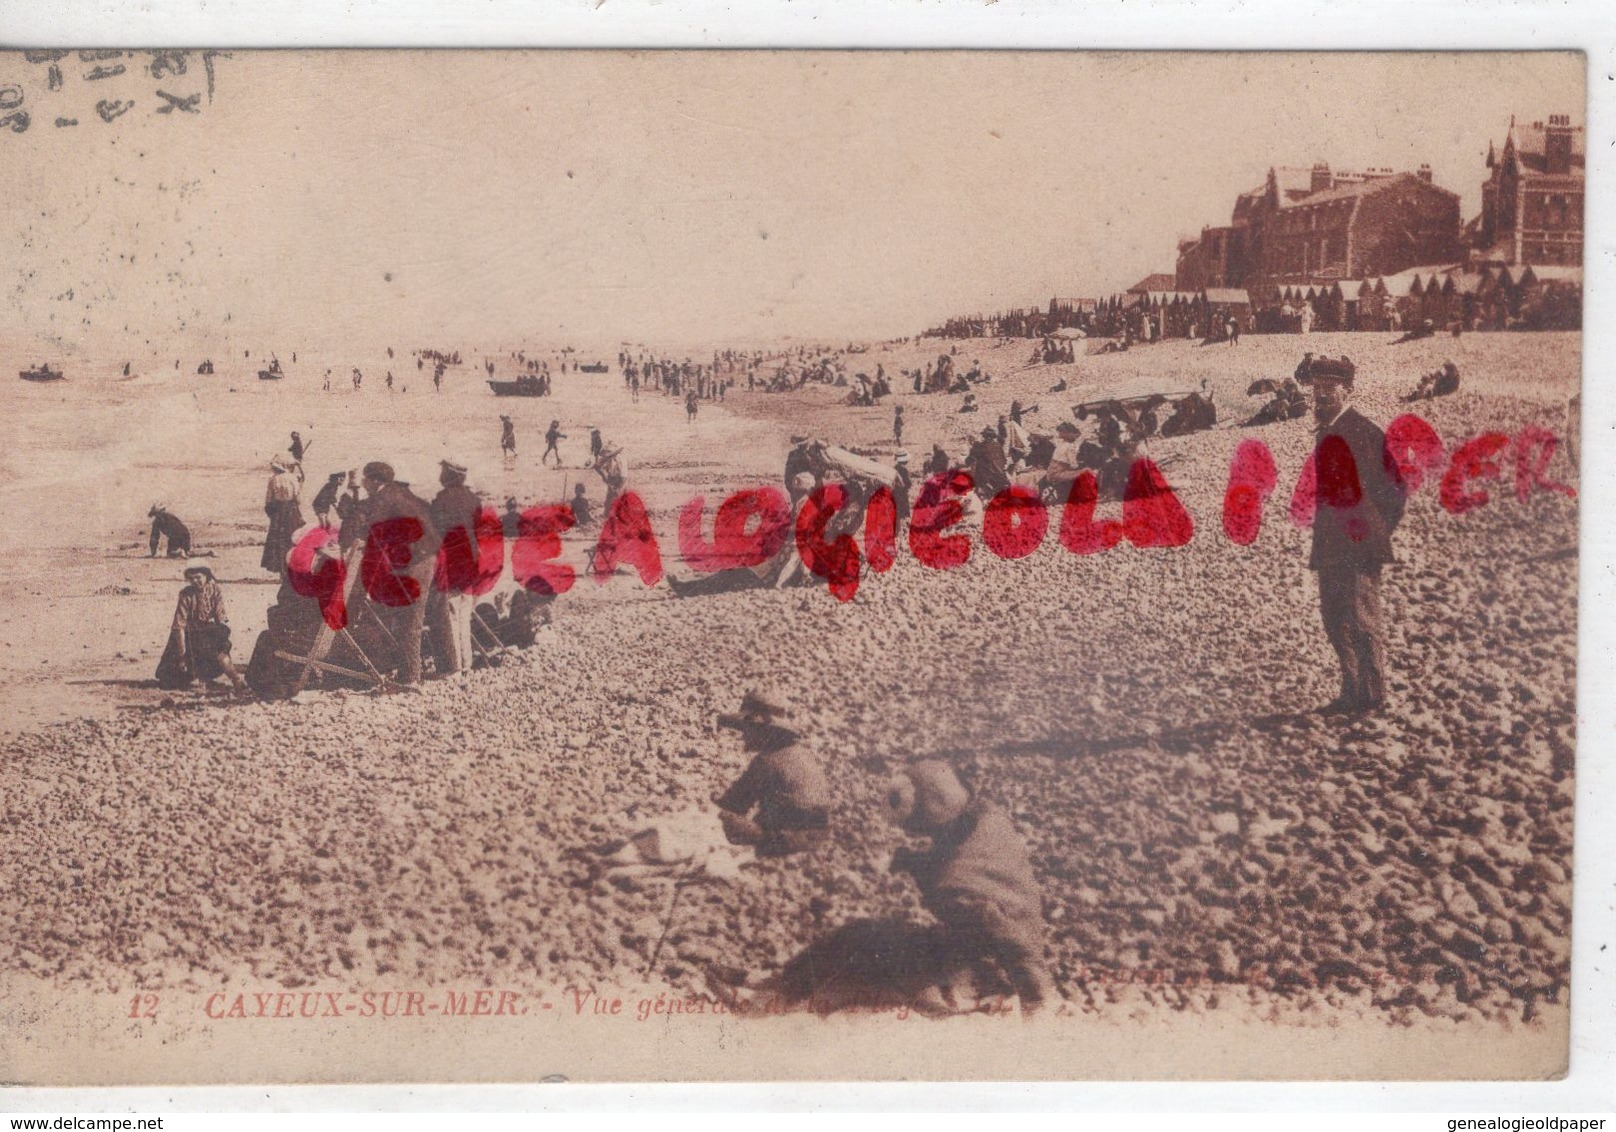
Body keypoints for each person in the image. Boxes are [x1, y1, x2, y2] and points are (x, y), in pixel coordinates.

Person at [887, 760, 1054, 1014]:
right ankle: (990, 978)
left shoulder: (960, 881)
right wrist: (913, 861)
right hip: (1008, 917)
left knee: (983, 917)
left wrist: (1034, 994)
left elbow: (957, 875)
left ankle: (1022, 991)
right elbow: (948, 853)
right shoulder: (986, 817)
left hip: (1008, 925)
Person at [1301, 356, 1405, 715]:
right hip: (1331, 544)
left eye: (1330, 388)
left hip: (1359, 545)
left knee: (1361, 619)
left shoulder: (1364, 430)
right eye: (1317, 389)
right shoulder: (1327, 430)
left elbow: (1394, 489)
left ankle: (1371, 695)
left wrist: (1374, 531)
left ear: (1348, 390)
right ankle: (1352, 690)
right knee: (1334, 617)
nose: (1322, 395)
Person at [344, 461, 437, 686]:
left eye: (366, 479)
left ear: (376, 480)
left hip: (417, 561)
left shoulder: (386, 497)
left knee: (409, 619)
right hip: (426, 556)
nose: (364, 483)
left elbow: (370, 525)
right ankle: (406, 670)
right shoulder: (398, 491)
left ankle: (410, 678)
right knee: (406, 616)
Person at [714, 691, 831, 857]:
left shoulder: (766, 761)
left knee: (722, 818)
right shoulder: (804, 754)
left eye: (747, 729)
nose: (744, 735)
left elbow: (734, 804)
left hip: (784, 841)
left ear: (762, 730)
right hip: (820, 838)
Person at [155, 560, 248, 694]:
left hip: (206, 630)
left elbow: (221, 616)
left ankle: (235, 679)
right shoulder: (185, 594)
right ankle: (199, 679)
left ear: (206, 575)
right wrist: (182, 655)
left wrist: (221, 634)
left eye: (198, 577)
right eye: (191, 578)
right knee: (173, 677)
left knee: (220, 646)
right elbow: (179, 626)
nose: (195, 581)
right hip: (187, 635)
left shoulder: (215, 590)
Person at [427, 459, 481, 677]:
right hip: (471, 565)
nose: (440, 474)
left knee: (450, 615)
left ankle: (454, 667)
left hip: (450, 565)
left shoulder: (442, 501)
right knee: (464, 614)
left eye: (443, 471)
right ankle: (466, 664)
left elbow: (433, 534)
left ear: (449, 475)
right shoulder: (474, 500)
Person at [261, 456, 305, 575]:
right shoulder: (292, 478)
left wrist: (271, 514)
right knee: (293, 538)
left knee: (278, 540)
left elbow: (268, 499)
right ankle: (292, 567)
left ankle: (281, 570)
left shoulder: (273, 479)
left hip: (278, 512)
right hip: (291, 511)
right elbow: (298, 498)